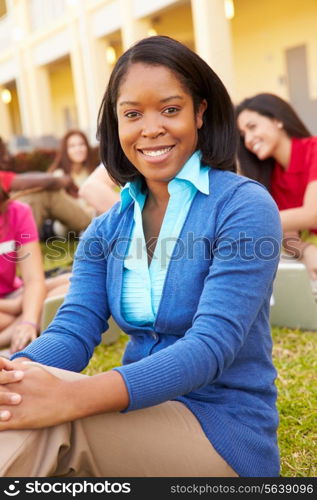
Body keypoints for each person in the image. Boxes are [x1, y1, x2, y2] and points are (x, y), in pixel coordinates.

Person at [0, 36, 281, 477]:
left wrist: (70, 396)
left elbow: (210, 348)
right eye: (132, 114)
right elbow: (73, 332)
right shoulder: (106, 229)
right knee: (17, 407)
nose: (150, 129)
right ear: (115, 124)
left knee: (51, 423)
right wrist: (12, 375)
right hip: (136, 416)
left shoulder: (243, 207)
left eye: (170, 109)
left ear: (200, 112)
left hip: (221, 430)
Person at [236, 92, 317, 279]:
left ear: (277, 120)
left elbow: (312, 214)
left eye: (252, 127)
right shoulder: (271, 177)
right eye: (243, 135)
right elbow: (288, 235)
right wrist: (305, 250)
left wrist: (246, 223)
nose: (248, 140)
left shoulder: (313, 149)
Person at [0, 181, 71, 356]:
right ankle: (15, 338)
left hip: (15, 294)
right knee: (43, 305)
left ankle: (25, 331)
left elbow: (34, 279)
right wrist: (15, 306)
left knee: (73, 284)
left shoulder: (17, 212)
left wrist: (29, 322)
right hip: (10, 305)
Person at [0, 137, 91, 235]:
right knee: (43, 193)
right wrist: (64, 180)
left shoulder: (92, 170)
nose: (7, 157)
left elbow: (27, 178)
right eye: (3, 152)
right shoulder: (59, 173)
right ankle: (89, 223)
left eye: (81, 144)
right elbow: (32, 181)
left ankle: (88, 223)